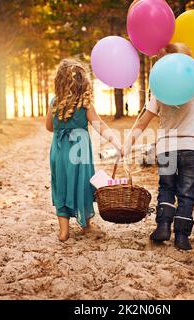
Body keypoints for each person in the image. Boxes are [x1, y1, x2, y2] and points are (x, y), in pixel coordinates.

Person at [123, 43, 194, 251]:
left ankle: (163, 226)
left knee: (166, 188)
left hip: (166, 149)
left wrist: (128, 143)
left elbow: (142, 122)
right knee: (187, 193)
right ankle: (181, 236)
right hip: (190, 148)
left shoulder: (160, 90)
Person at [46, 59, 121, 242]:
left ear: (60, 81)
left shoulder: (54, 102)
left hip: (59, 152)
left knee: (60, 185)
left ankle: (63, 232)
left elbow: (49, 127)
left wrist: (62, 126)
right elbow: (100, 126)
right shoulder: (85, 103)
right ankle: (86, 224)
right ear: (83, 82)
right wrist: (116, 142)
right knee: (83, 185)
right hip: (80, 155)